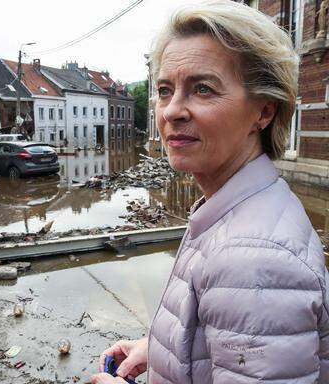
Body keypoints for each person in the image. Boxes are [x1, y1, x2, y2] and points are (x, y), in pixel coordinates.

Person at [92, 1, 328, 383]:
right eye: (165, 90)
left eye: (202, 89)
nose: (171, 111)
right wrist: (158, 347)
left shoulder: (253, 258)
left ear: (263, 113)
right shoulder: (233, 209)